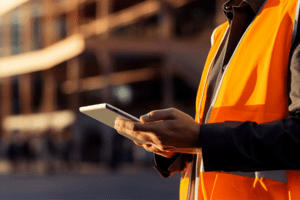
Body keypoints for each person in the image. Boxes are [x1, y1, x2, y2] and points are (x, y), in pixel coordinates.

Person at [114, 0, 300, 199]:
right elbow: (216, 134)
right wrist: (174, 146)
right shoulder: (221, 35)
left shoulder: (294, 14)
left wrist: (199, 138)